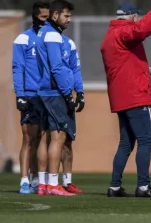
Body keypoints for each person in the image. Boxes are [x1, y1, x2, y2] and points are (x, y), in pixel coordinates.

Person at [100, 0, 151, 198]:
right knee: (146, 140)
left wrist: (143, 74)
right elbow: (143, 29)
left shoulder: (110, 35)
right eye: (136, 16)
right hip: (133, 96)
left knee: (126, 143)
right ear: (131, 16)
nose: (137, 19)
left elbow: (124, 65)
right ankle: (143, 186)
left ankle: (115, 186)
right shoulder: (124, 32)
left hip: (121, 96)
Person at [35, 0, 77, 196]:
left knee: (45, 137)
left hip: (43, 90)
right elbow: (57, 67)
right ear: (55, 15)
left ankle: (43, 184)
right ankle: (53, 184)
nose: (69, 19)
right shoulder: (52, 36)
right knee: (58, 136)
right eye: (66, 15)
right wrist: (68, 94)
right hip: (54, 91)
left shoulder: (42, 32)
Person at [12, 1, 49, 194]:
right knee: (28, 138)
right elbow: (17, 68)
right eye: (43, 17)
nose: (46, 21)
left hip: (47, 95)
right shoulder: (22, 39)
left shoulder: (52, 39)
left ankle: (37, 178)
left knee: (43, 139)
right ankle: (24, 180)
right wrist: (20, 95)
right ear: (35, 17)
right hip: (29, 95)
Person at [59, 34, 85, 194]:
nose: (68, 19)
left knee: (67, 139)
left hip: (67, 97)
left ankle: (67, 181)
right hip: (51, 96)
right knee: (52, 139)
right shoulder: (45, 41)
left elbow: (75, 69)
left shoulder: (69, 43)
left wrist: (80, 92)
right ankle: (43, 181)